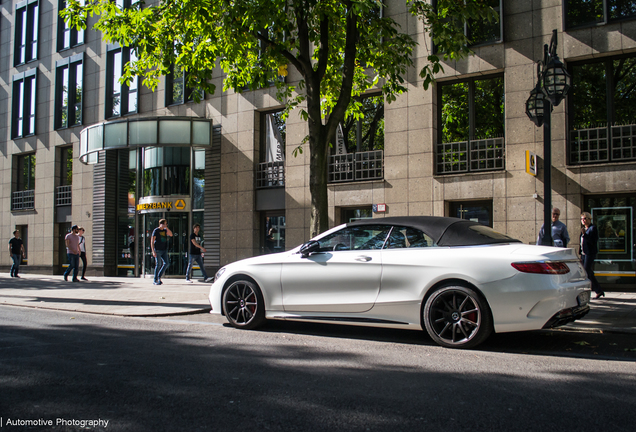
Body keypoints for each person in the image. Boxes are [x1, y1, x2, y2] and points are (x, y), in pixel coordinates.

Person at [580, 212, 605, 299]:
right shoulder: (584, 229)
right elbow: (582, 243)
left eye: (585, 219)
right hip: (584, 253)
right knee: (588, 272)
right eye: (582, 219)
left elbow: (592, 241)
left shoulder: (592, 228)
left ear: (589, 219)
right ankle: (598, 290)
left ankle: (595, 289)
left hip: (590, 253)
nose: (583, 220)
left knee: (587, 271)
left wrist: (584, 234)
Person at [151, 219, 173, 285]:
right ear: (161, 224)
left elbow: (171, 234)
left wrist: (166, 228)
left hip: (164, 250)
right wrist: (153, 251)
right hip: (157, 250)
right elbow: (152, 241)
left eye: (166, 224)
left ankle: (159, 277)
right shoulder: (156, 230)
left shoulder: (165, 230)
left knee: (166, 263)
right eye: (165, 224)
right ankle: (155, 279)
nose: (166, 225)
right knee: (158, 264)